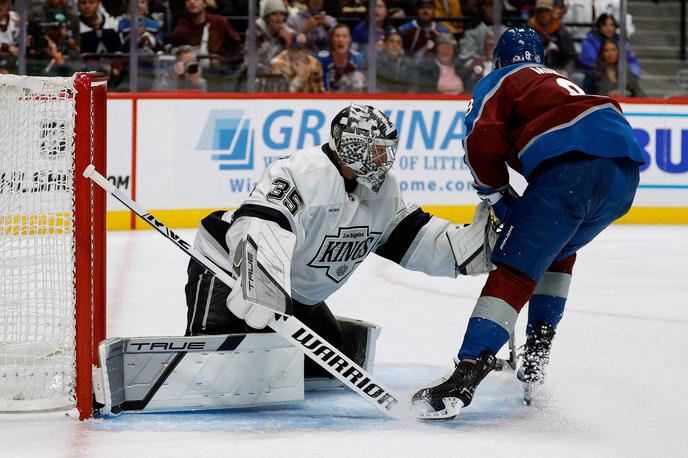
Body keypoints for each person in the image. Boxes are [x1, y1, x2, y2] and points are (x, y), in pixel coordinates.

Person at [411, 27, 645, 420]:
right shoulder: (561, 80)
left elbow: (479, 139)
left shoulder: (499, 80)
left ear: (498, 61)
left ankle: (468, 372)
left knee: (516, 268)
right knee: (558, 249)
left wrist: (497, 195)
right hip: (623, 177)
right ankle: (536, 357)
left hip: (571, 171)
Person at [185, 103, 497, 380]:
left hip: (295, 295)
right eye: (375, 149)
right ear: (350, 146)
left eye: (386, 150)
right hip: (230, 270)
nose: (383, 158)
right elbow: (262, 221)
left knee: (325, 369)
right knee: (214, 366)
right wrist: (262, 279)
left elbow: (414, 238)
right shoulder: (304, 172)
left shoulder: (383, 191)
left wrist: (465, 250)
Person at [167, 0, 242, 71]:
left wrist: (221, 59)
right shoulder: (180, 29)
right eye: (188, 0)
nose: (192, 1)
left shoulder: (219, 22)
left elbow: (235, 48)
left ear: (205, 3)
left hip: (218, 74)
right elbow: (174, 52)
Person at [579, 13, 640, 79]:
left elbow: (632, 60)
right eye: (604, 25)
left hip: (618, 75)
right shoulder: (589, 41)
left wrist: (633, 74)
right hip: (594, 75)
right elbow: (591, 64)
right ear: (599, 27)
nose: (609, 28)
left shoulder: (620, 41)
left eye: (612, 25)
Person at [529, 0, 576, 74]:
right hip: (535, 71)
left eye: (546, 10)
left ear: (552, 11)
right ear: (535, 12)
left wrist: (566, 71)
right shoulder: (528, 30)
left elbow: (571, 57)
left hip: (558, 71)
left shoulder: (561, 30)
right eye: (540, 10)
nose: (543, 14)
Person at [317, 23, 366, 92]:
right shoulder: (321, 59)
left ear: (350, 39)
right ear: (331, 39)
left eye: (345, 36)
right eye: (337, 36)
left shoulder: (358, 59)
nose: (340, 40)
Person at [255, 0, 294, 73]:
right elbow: (252, 62)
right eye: (274, 14)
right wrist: (271, 70)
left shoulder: (287, 31)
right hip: (258, 77)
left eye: (282, 14)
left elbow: (294, 61)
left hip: (280, 76)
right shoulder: (256, 32)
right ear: (266, 17)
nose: (278, 18)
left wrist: (289, 43)